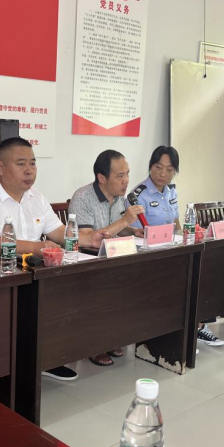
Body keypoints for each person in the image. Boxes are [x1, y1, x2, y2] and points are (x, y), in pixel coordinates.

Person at [0, 137, 107, 380]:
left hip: (36, 274)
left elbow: (58, 232)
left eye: (32, 163)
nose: (29, 170)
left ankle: (48, 357)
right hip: (2, 278)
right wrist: (36, 247)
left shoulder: (36, 198)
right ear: (1, 167)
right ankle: (17, 365)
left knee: (84, 285)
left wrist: (89, 239)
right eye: (21, 164)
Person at [128, 146, 224, 348]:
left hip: (173, 251)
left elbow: (175, 223)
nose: (163, 174)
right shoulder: (138, 195)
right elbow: (134, 236)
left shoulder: (171, 190)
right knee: (182, 278)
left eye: (169, 170)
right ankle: (183, 331)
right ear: (150, 167)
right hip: (151, 256)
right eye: (158, 167)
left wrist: (184, 240)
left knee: (202, 271)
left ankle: (196, 326)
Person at [69, 149, 145, 366]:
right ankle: (94, 344)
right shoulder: (83, 198)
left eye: (127, 174)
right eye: (120, 176)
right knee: (106, 285)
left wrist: (133, 230)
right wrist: (125, 221)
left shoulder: (119, 197)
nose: (126, 181)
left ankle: (112, 337)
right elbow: (86, 238)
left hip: (112, 258)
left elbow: (115, 228)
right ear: (102, 178)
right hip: (86, 262)